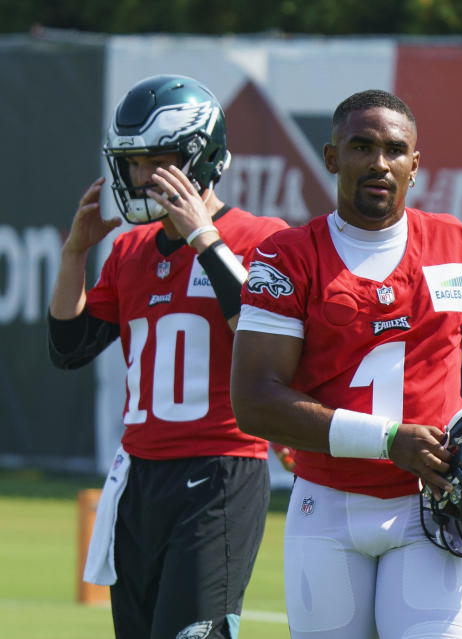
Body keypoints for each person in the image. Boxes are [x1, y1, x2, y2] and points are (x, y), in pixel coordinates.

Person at [230, 88, 462, 639]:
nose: (379, 163)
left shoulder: (461, 247)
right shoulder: (287, 257)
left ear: (415, 165)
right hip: (327, 504)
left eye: (395, 150)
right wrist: (389, 439)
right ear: (331, 157)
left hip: (432, 511)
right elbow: (254, 400)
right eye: (361, 146)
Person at [47, 74, 288, 639]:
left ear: (198, 159)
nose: (138, 177)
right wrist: (74, 256)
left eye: (154, 161)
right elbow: (69, 348)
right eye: (132, 163)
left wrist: (205, 240)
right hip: (140, 477)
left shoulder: (261, 237)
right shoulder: (130, 249)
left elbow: (259, 336)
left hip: (221, 470)